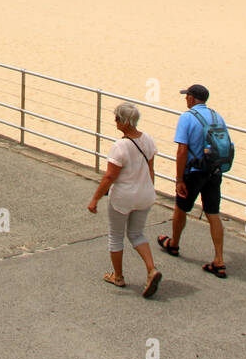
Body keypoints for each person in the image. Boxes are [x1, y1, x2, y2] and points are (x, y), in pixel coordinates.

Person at [87, 102, 162, 297]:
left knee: (116, 236)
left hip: (123, 198)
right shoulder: (149, 140)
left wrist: (95, 199)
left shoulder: (120, 146)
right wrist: (149, 190)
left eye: (117, 118)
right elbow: (151, 170)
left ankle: (118, 276)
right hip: (145, 195)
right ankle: (151, 269)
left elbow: (109, 177)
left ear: (125, 121)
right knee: (137, 234)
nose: (115, 121)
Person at [158, 84, 228, 278]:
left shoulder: (187, 117)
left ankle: (174, 244)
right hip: (214, 171)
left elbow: (182, 151)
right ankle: (219, 261)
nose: (185, 99)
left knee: (181, 208)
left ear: (191, 98)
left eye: (186, 96)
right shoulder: (217, 116)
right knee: (213, 214)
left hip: (194, 172)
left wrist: (179, 179)